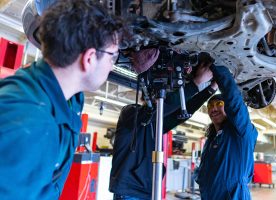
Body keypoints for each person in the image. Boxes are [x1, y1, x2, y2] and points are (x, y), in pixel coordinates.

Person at [0, 0, 124, 199]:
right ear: (89, 58)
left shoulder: (71, 98)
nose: (112, 66)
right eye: (113, 56)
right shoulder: (27, 124)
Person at [109, 52, 218, 199]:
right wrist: (195, 84)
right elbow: (160, 107)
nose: (164, 97)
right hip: (130, 192)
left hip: (144, 190)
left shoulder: (153, 124)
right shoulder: (130, 113)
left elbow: (181, 114)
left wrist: (209, 90)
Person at [196, 64, 259, 200]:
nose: (213, 109)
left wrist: (219, 69)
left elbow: (234, 102)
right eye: (210, 106)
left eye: (219, 104)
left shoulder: (241, 133)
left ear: (228, 109)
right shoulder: (212, 139)